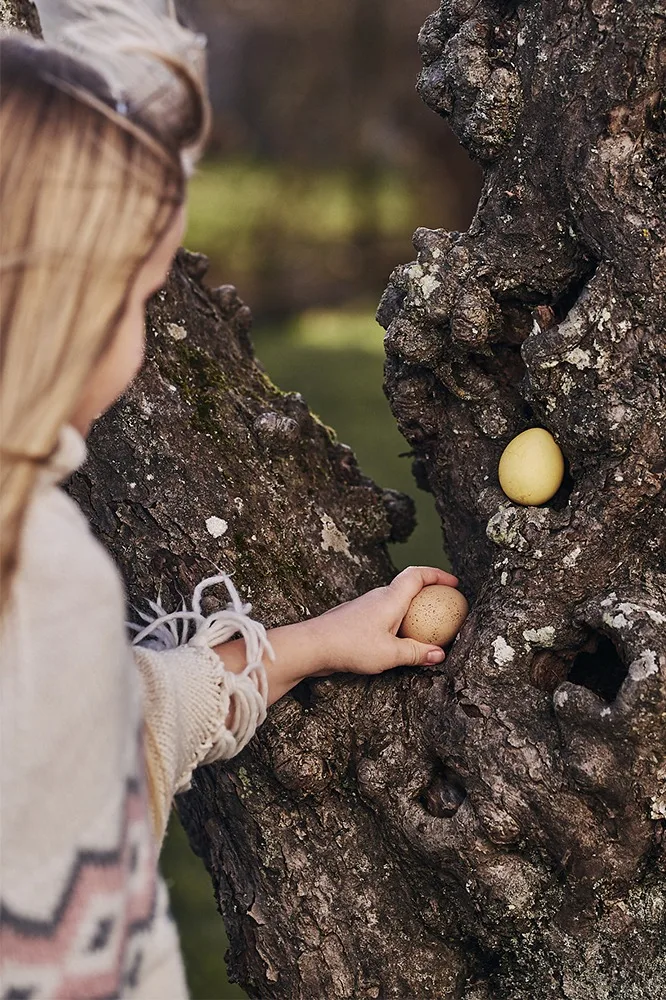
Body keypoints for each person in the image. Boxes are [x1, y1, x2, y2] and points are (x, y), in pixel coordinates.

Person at [0, 3, 459, 997]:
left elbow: (129, 712)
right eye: (135, 294)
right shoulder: (42, 580)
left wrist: (312, 644)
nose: (139, 328)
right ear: (57, 308)